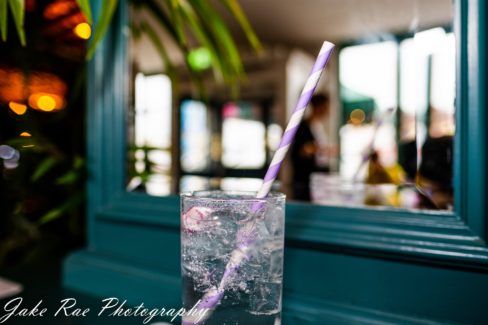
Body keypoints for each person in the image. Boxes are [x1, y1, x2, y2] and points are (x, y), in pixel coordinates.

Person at [291, 93, 332, 201]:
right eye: (326, 107)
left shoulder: (318, 125)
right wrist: (316, 149)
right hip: (307, 179)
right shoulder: (304, 126)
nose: (328, 110)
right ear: (319, 107)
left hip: (319, 174)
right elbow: (298, 152)